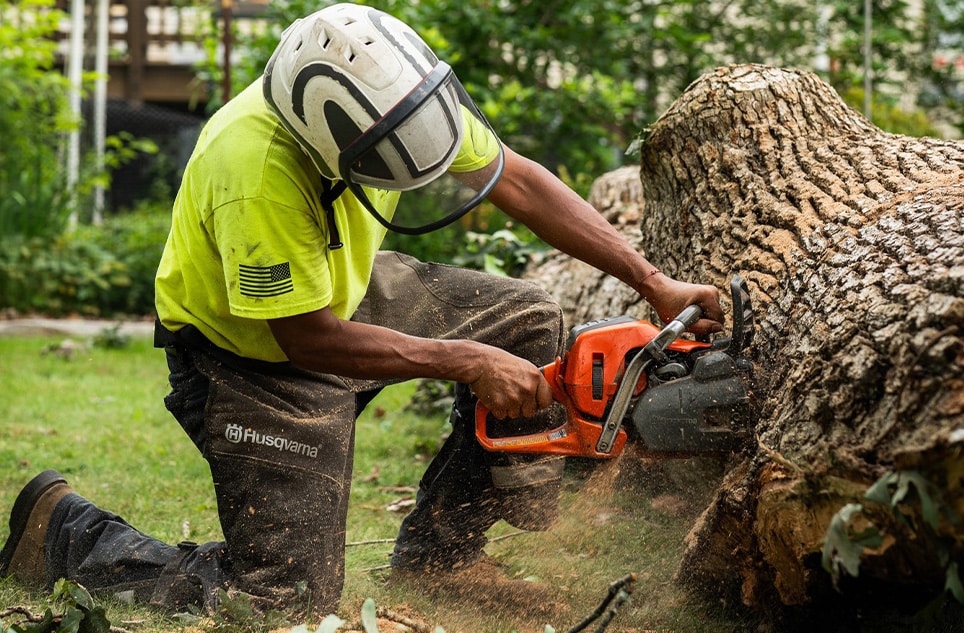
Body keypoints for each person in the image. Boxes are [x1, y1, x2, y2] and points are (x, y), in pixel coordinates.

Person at [0, 2, 723, 618]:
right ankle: (66, 532)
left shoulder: (396, 98)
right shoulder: (253, 169)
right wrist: (468, 362)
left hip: (342, 291)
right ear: (327, 141)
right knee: (286, 600)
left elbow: (520, 183)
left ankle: (443, 557)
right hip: (253, 355)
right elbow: (306, 339)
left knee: (525, 316)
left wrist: (653, 280)